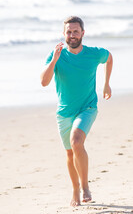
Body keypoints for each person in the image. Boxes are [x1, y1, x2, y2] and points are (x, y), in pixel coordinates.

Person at [40, 16, 113, 207]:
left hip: (87, 108)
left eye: (75, 31)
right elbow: (44, 82)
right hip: (64, 112)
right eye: (69, 32)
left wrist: (106, 84)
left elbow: (109, 57)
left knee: (76, 141)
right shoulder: (57, 55)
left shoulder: (93, 54)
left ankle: (85, 187)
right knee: (70, 153)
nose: (72, 35)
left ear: (83, 33)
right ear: (64, 34)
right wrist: (54, 61)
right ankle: (75, 190)